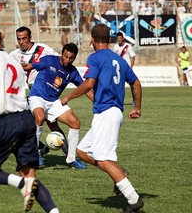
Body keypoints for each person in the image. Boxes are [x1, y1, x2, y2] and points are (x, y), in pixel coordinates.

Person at [0, 21, 59, 213]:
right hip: (27, 121)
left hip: (9, 122)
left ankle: (19, 184)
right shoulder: (14, 62)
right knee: (30, 176)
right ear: (1, 36)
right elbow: (8, 91)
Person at [60, 24, 144, 213]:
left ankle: (133, 198)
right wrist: (136, 107)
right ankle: (119, 175)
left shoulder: (95, 57)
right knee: (81, 151)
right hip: (110, 112)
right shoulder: (119, 60)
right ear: (109, 39)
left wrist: (68, 97)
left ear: (92, 39)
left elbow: (89, 82)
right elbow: (136, 83)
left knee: (104, 159)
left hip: (106, 112)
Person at [27, 43, 93, 169]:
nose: (68, 60)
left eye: (71, 58)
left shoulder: (72, 72)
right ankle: (34, 155)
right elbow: (29, 66)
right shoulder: (49, 60)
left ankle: (71, 159)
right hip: (37, 97)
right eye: (66, 56)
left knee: (75, 123)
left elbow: (85, 88)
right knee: (40, 118)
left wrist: (97, 103)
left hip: (53, 102)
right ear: (62, 53)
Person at [10, 26, 69, 166]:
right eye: (19, 39)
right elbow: (1, 66)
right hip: (33, 93)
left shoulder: (42, 49)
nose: (21, 42)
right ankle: (41, 148)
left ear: (30, 38)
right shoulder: (14, 55)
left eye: (24, 38)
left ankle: (70, 157)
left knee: (51, 125)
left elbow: (58, 60)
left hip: (46, 92)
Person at [114, 32, 136, 105]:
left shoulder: (128, 46)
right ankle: (119, 100)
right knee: (119, 86)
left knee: (132, 85)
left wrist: (131, 67)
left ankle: (134, 100)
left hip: (127, 69)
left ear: (123, 38)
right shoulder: (115, 47)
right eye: (118, 38)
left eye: (120, 38)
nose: (119, 39)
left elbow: (132, 56)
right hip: (119, 69)